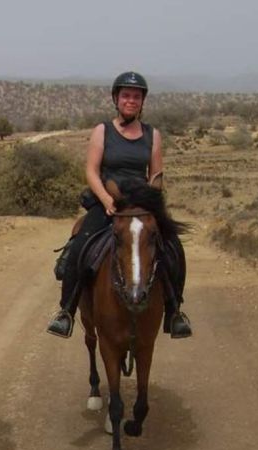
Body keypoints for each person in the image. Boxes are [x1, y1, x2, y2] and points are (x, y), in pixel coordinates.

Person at [46, 71, 192, 339]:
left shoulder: (153, 135)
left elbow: (156, 175)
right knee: (79, 247)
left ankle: (174, 311)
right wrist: (106, 200)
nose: (131, 100)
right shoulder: (102, 131)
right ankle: (66, 311)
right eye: (126, 95)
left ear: (142, 102)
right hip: (108, 203)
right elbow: (91, 171)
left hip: (141, 206)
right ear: (116, 98)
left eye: (136, 96)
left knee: (173, 248)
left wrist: (153, 205)